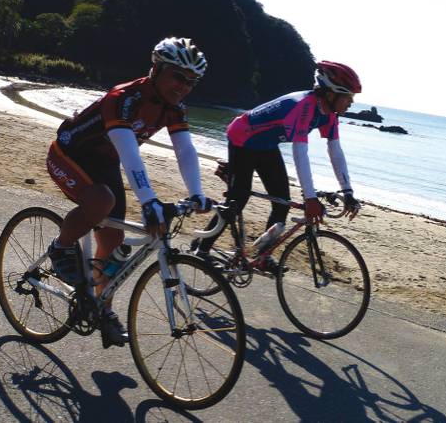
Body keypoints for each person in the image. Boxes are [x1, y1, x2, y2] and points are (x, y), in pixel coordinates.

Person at [45, 37, 213, 348]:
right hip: (69, 154)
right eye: (178, 77)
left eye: (192, 82)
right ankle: (60, 246)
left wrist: (197, 193)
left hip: (105, 163)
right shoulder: (123, 98)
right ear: (157, 69)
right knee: (102, 200)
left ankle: (102, 309)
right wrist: (149, 201)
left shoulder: (175, 108)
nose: (184, 87)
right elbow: (129, 153)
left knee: (113, 241)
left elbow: (185, 149)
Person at [195, 60, 363, 273]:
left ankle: (263, 257)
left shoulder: (329, 115)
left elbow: (335, 151)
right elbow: (300, 154)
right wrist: (310, 197)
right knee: (237, 200)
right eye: (348, 97)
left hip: (266, 145)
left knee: (282, 202)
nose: (351, 103)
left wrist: (348, 191)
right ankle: (201, 250)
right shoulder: (303, 106)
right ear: (331, 93)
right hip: (242, 138)